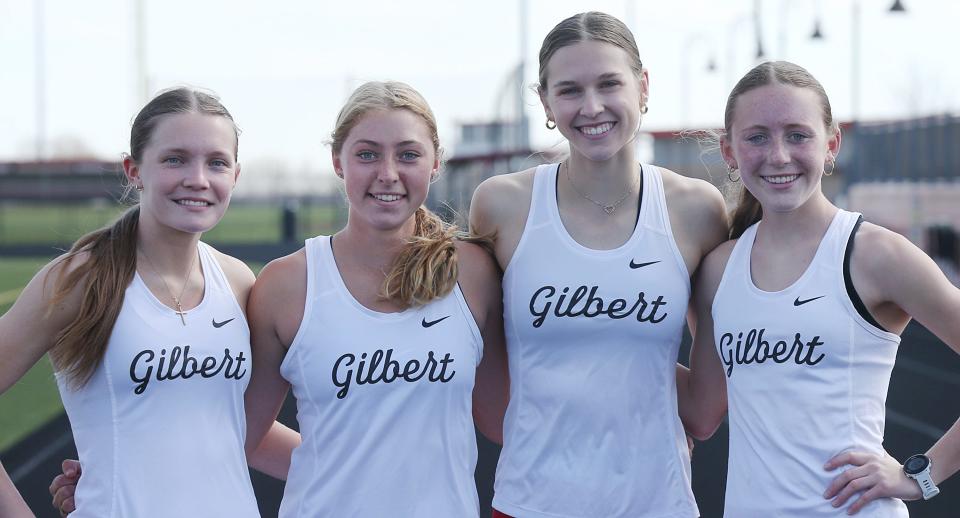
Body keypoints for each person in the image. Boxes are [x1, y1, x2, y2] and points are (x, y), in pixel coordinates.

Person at [469, 11, 728, 518]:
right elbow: (490, 370)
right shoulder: (501, 205)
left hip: (659, 502)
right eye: (569, 90)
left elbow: (705, 403)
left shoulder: (697, 209)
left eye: (610, 83)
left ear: (643, 86)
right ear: (545, 102)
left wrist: (635, 386)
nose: (592, 107)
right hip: (531, 503)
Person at [0, 88, 296, 517]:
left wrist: (369, 467)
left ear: (235, 175)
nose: (198, 178)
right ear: (134, 170)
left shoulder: (237, 281)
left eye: (216, 162)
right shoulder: (82, 279)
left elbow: (244, 434)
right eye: (175, 159)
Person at [682, 60, 960, 516]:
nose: (778, 155)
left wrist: (921, 475)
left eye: (797, 134)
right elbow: (701, 412)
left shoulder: (875, 255)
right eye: (757, 137)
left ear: (831, 144)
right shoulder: (719, 270)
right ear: (729, 151)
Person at [239, 80, 509, 516]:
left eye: (408, 154)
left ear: (435, 162)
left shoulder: (473, 273)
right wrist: (340, 468)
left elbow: (504, 420)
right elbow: (242, 435)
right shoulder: (288, 283)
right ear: (337, 162)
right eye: (367, 154)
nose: (388, 173)